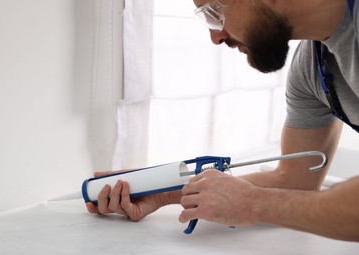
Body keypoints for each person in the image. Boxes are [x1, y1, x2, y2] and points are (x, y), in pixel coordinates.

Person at [86, 0, 359, 242]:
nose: (215, 37)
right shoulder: (312, 70)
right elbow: (295, 181)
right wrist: (163, 192)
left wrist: (254, 204)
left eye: (213, 12)